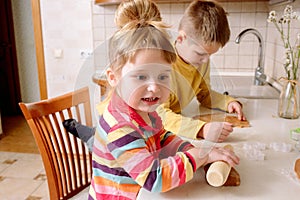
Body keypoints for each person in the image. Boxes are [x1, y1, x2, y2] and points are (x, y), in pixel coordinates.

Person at [88, 1, 239, 199]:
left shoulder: (145, 113)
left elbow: (162, 138)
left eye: (163, 76)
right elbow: (156, 179)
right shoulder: (120, 128)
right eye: (141, 76)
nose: (154, 87)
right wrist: (200, 157)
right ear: (113, 77)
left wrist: (196, 150)